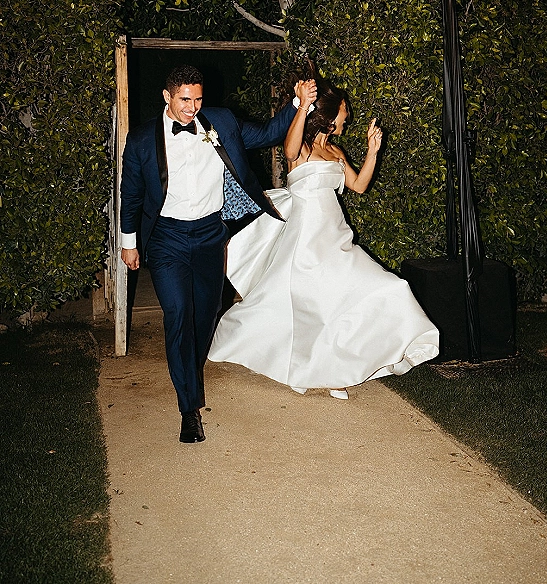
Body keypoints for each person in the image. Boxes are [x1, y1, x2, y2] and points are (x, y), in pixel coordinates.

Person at [208, 73, 439, 397]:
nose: (348, 118)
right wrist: (302, 106)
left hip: (336, 236)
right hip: (304, 239)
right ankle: (320, 373)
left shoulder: (336, 151)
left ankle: (332, 368)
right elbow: (288, 151)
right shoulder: (300, 147)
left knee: (387, 287)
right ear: (329, 118)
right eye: (344, 113)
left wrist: (373, 151)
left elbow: (358, 185)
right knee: (309, 306)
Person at [120, 64, 303, 443]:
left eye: (198, 98)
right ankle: (189, 408)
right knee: (177, 314)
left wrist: (299, 103)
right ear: (167, 97)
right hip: (166, 238)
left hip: (208, 236)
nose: (193, 107)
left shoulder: (220, 121)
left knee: (206, 315)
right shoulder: (140, 140)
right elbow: (132, 194)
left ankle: (190, 367)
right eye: (185, 99)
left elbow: (269, 133)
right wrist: (129, 242)